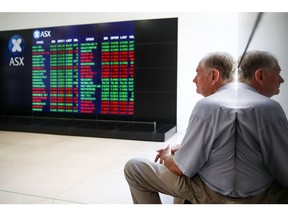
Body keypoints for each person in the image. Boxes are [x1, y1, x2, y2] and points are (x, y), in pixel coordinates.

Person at [124, 50, 288, 204]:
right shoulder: (270, 108)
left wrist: (167, 156)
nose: (194, 79)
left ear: (214, 75)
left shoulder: (207, 106)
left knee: (134, 167)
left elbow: (181, 169)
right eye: (278, 73)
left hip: (215, 195)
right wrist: (185, 148)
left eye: (197, 73)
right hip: (255, 192)